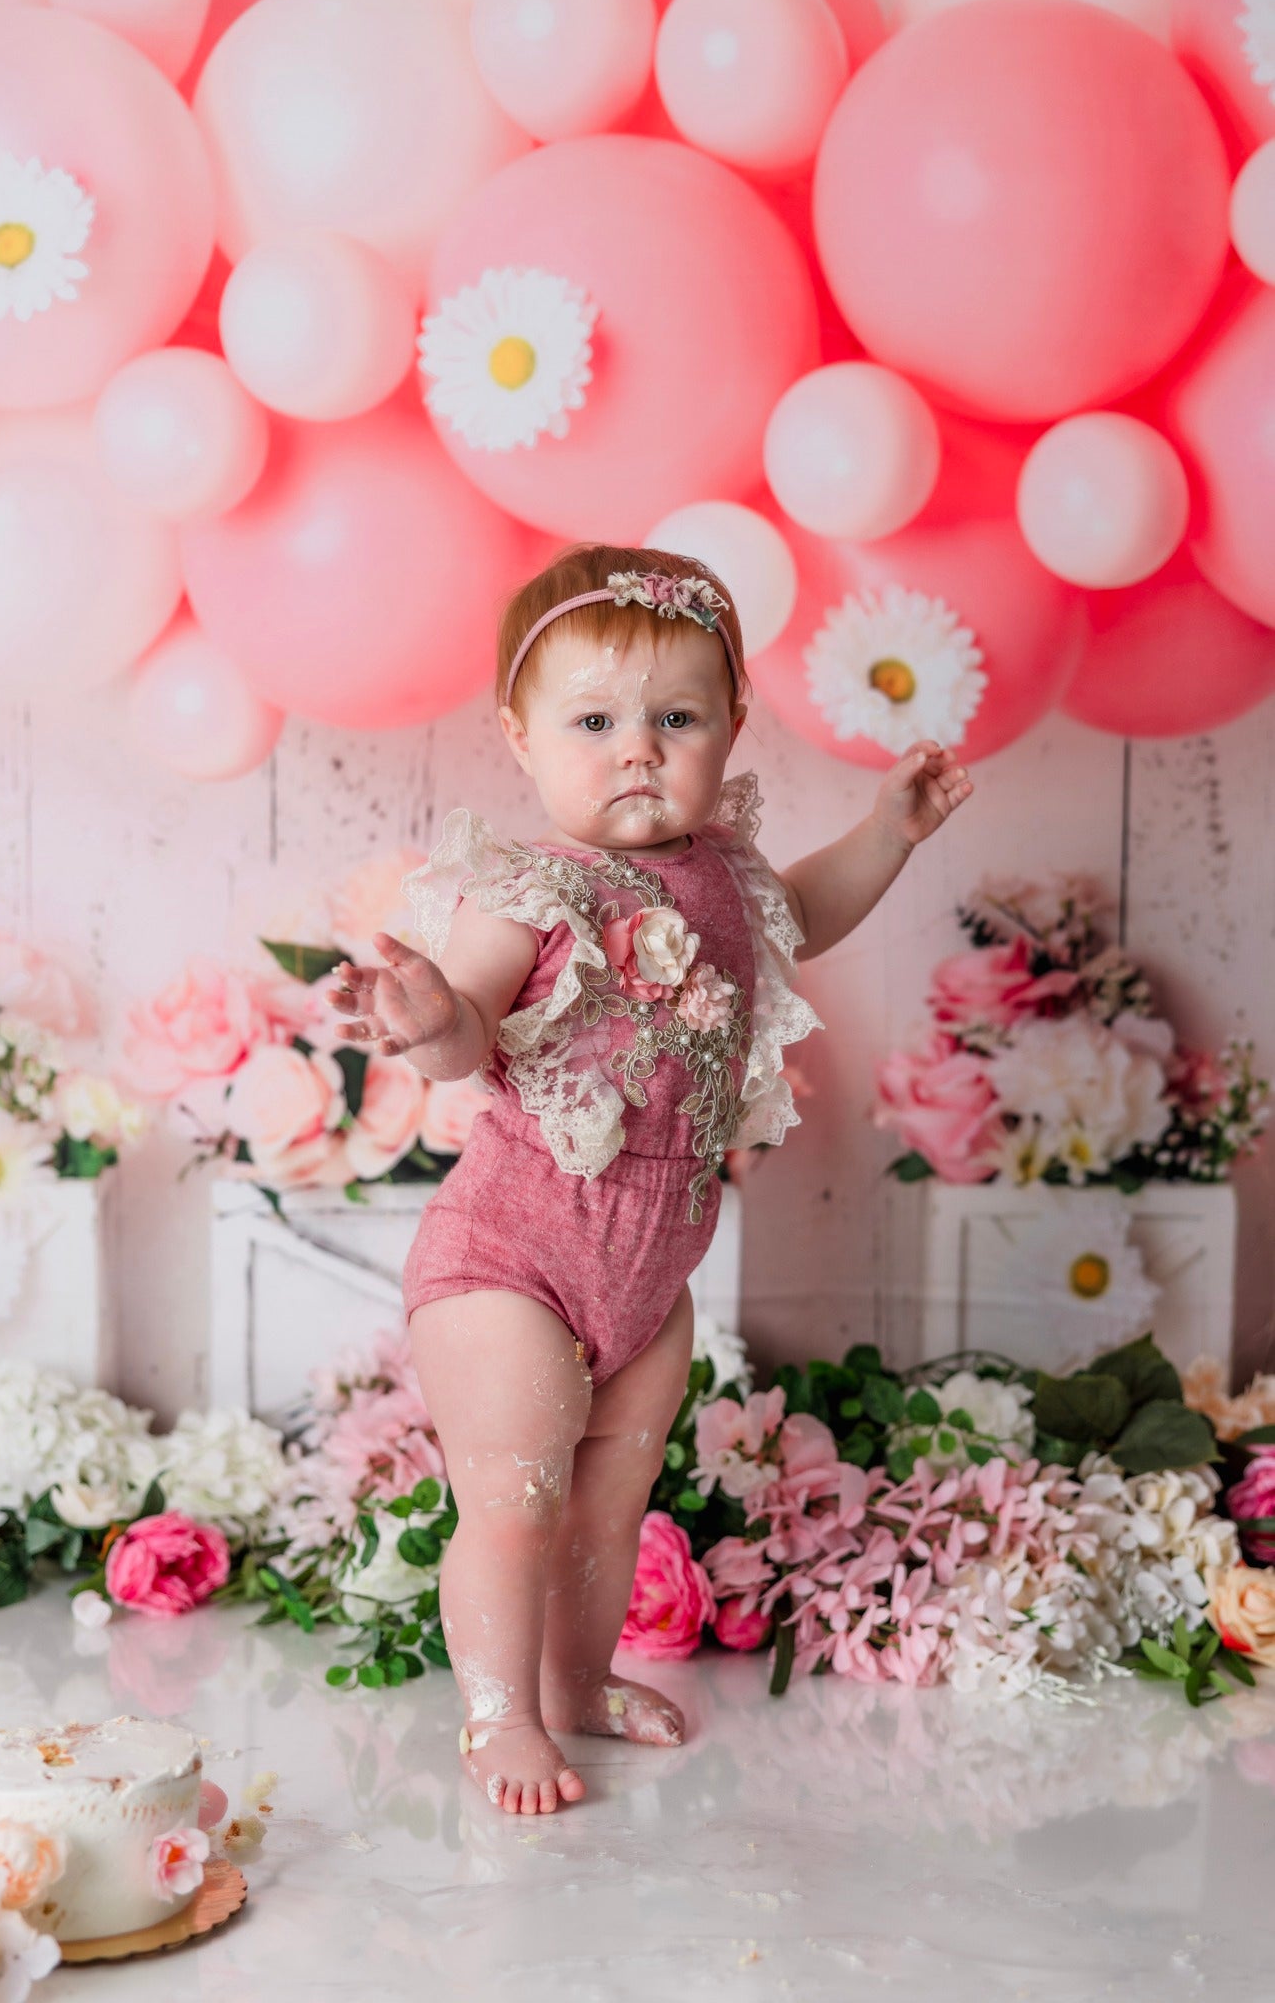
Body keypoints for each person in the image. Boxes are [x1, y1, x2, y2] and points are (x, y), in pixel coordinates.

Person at [327, 543, 973, 1818]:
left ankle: (575, 1678)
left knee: (608, 1497)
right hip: (509, 1259)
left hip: (648, 1272)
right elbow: (470, 1034)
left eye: (676, 718)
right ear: (521, 735)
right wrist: (421, 1013)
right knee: (515, 1500)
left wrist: (888, 831)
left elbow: (805, 908)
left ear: (731, 724)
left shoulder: (726, 875)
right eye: (595, 720)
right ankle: (498, 1713)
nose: (638, 748)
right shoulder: (532, 887)